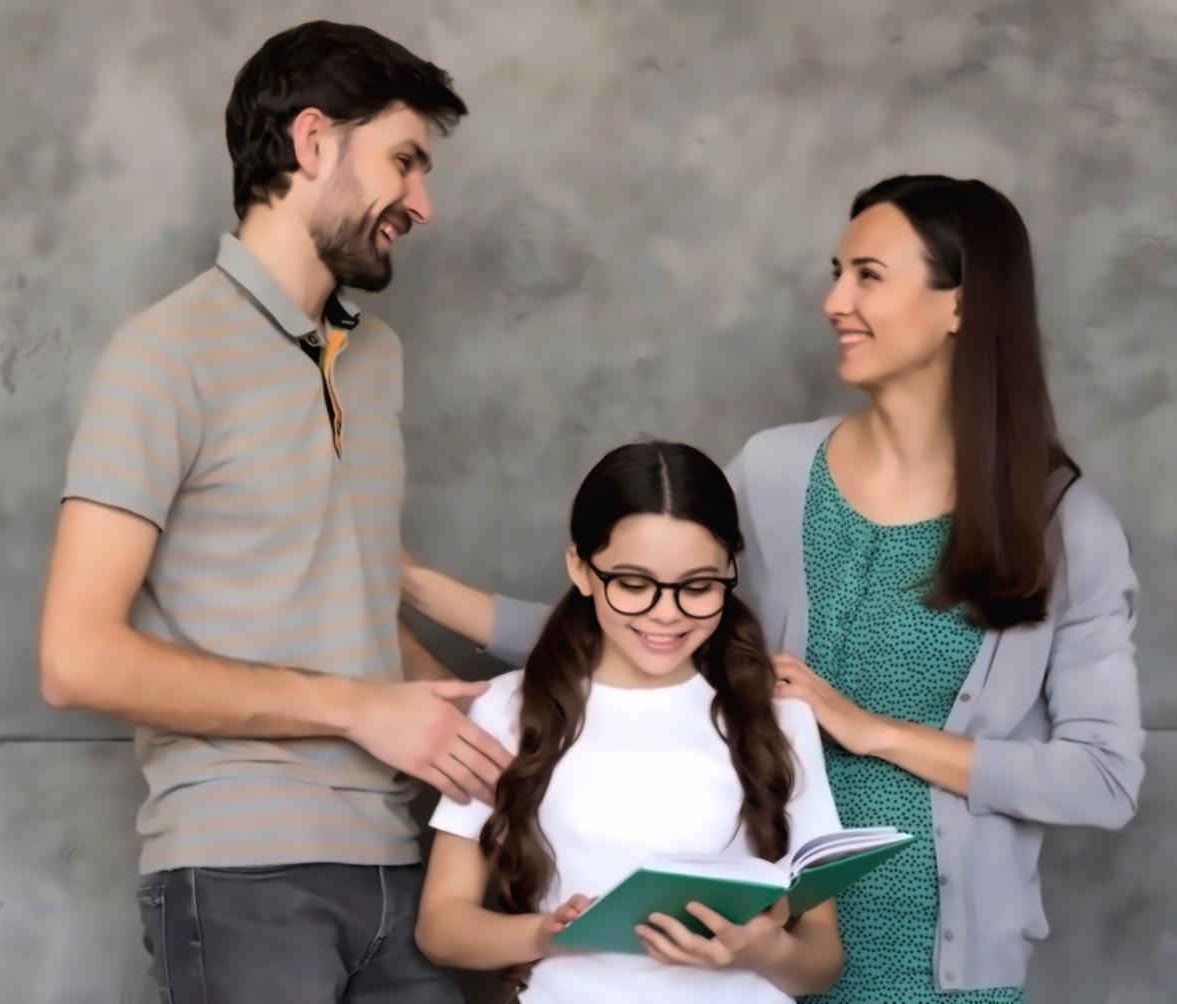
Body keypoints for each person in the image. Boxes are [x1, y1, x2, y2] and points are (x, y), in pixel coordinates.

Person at [404, 175, 1145, 1001]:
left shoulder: (1061, 525)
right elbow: (644, 616)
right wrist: (410, 584)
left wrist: (871, 732)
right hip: (750, 960)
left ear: (960, 306)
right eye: (837, 273)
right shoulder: (776, 473)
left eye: (868, 276)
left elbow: (1103, 779)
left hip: (941, 969)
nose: (833, 302)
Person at [38, 21, 490, 1003]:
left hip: (397, 867)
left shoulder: (376, 360)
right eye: (404, 161)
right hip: (238, 877)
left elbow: (344, 607)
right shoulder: (162, 357)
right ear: (312, 141)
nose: (422, 204)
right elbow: (75, 658)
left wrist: (500, 726)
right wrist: (357, 708)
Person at [412, 441, 847, 1002]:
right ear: (581, 569)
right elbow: (441, 928)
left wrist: (761, 950)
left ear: (730, 572)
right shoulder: (508, 708)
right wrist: (546, 934)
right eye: (634, 585)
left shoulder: (778, 715)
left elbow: (821, 961)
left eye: (698, 587)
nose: (666, 614)